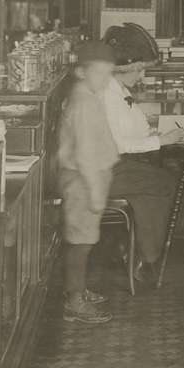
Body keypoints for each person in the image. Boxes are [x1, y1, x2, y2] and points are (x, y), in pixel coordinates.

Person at [101, 31, 184, 282]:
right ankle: (142, 257)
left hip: (114, 165)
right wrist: (161, 140)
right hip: (104, 170)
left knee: (163, 179)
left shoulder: (116, 88)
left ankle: (138, 251)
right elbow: (118, 144)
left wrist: (152, 133)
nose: (142, 76)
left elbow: (131, 126)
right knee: (163, 183)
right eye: (139, 70)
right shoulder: (108, 95)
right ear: (124, 67)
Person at [56, 41, 119, 324]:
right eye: (100, 73)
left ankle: (77, 290)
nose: (106, 80)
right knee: (80, 242)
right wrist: (95, 191)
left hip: (90, 179)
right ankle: (74, 302)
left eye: (110, 73)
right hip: (83, 181)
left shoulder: (88, 96)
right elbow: (84, 154)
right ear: (81, 72)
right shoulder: (83, 103)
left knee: (85, 239)